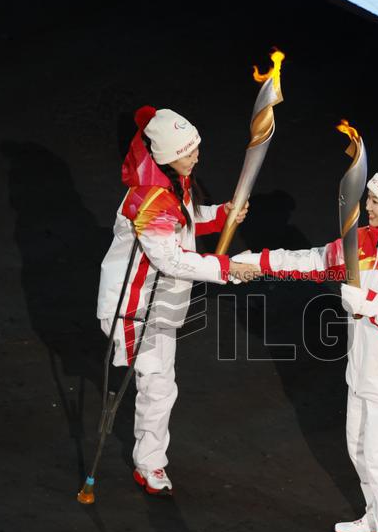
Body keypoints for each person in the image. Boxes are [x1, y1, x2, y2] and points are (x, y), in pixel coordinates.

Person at [236, 157, 378, 532]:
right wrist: (255, 263)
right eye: (369, 197)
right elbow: (312, 261)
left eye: (377, 202)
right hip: (362, 371)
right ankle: (374, 516)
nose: (367, 206)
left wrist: (366, 302)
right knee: (360, 450)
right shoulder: (362, 242)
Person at [97, 105, 259, 497]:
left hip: (160, 305)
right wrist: (227, 268)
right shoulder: (150, 199)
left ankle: (148, 460)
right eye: (188, 152)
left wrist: (223, 214)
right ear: (167, 155)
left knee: (159, 385)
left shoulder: (172, 183)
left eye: (196, 148)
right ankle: (149, 465)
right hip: (135, 309)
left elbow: (185, 220)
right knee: (159, 385)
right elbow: (169, 258)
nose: (196, 156)